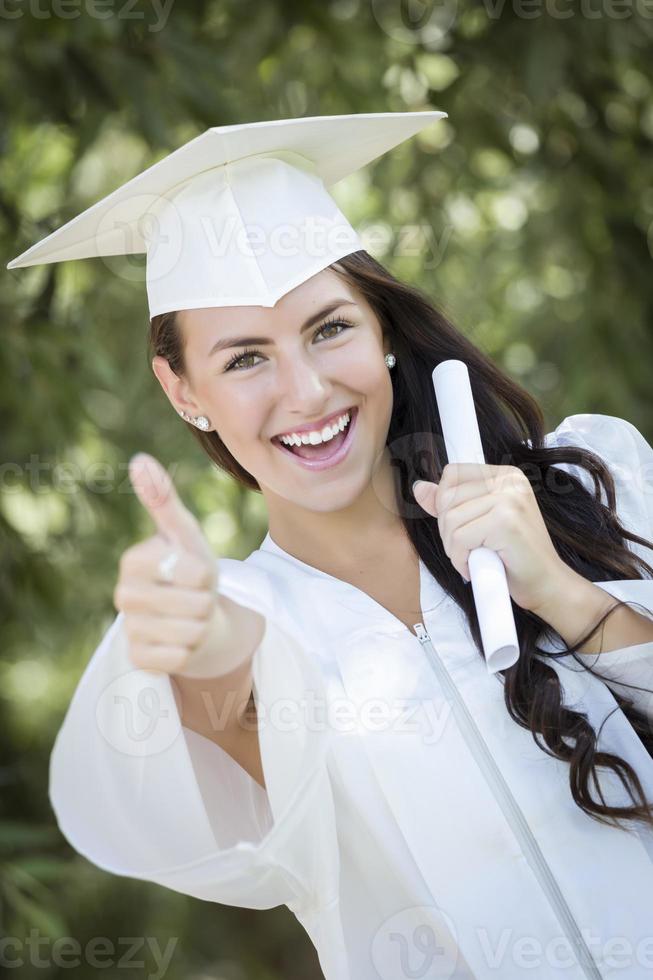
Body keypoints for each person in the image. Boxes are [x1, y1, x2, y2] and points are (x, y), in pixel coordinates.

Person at [8, 112, 653, 980]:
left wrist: (567, 597)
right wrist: (208, 653)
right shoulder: (251, 624)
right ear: (181, 388)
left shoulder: (588, 488)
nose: (306, 391)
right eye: (244, 360)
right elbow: (259, 792)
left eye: (328, 329)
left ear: (381, 330)